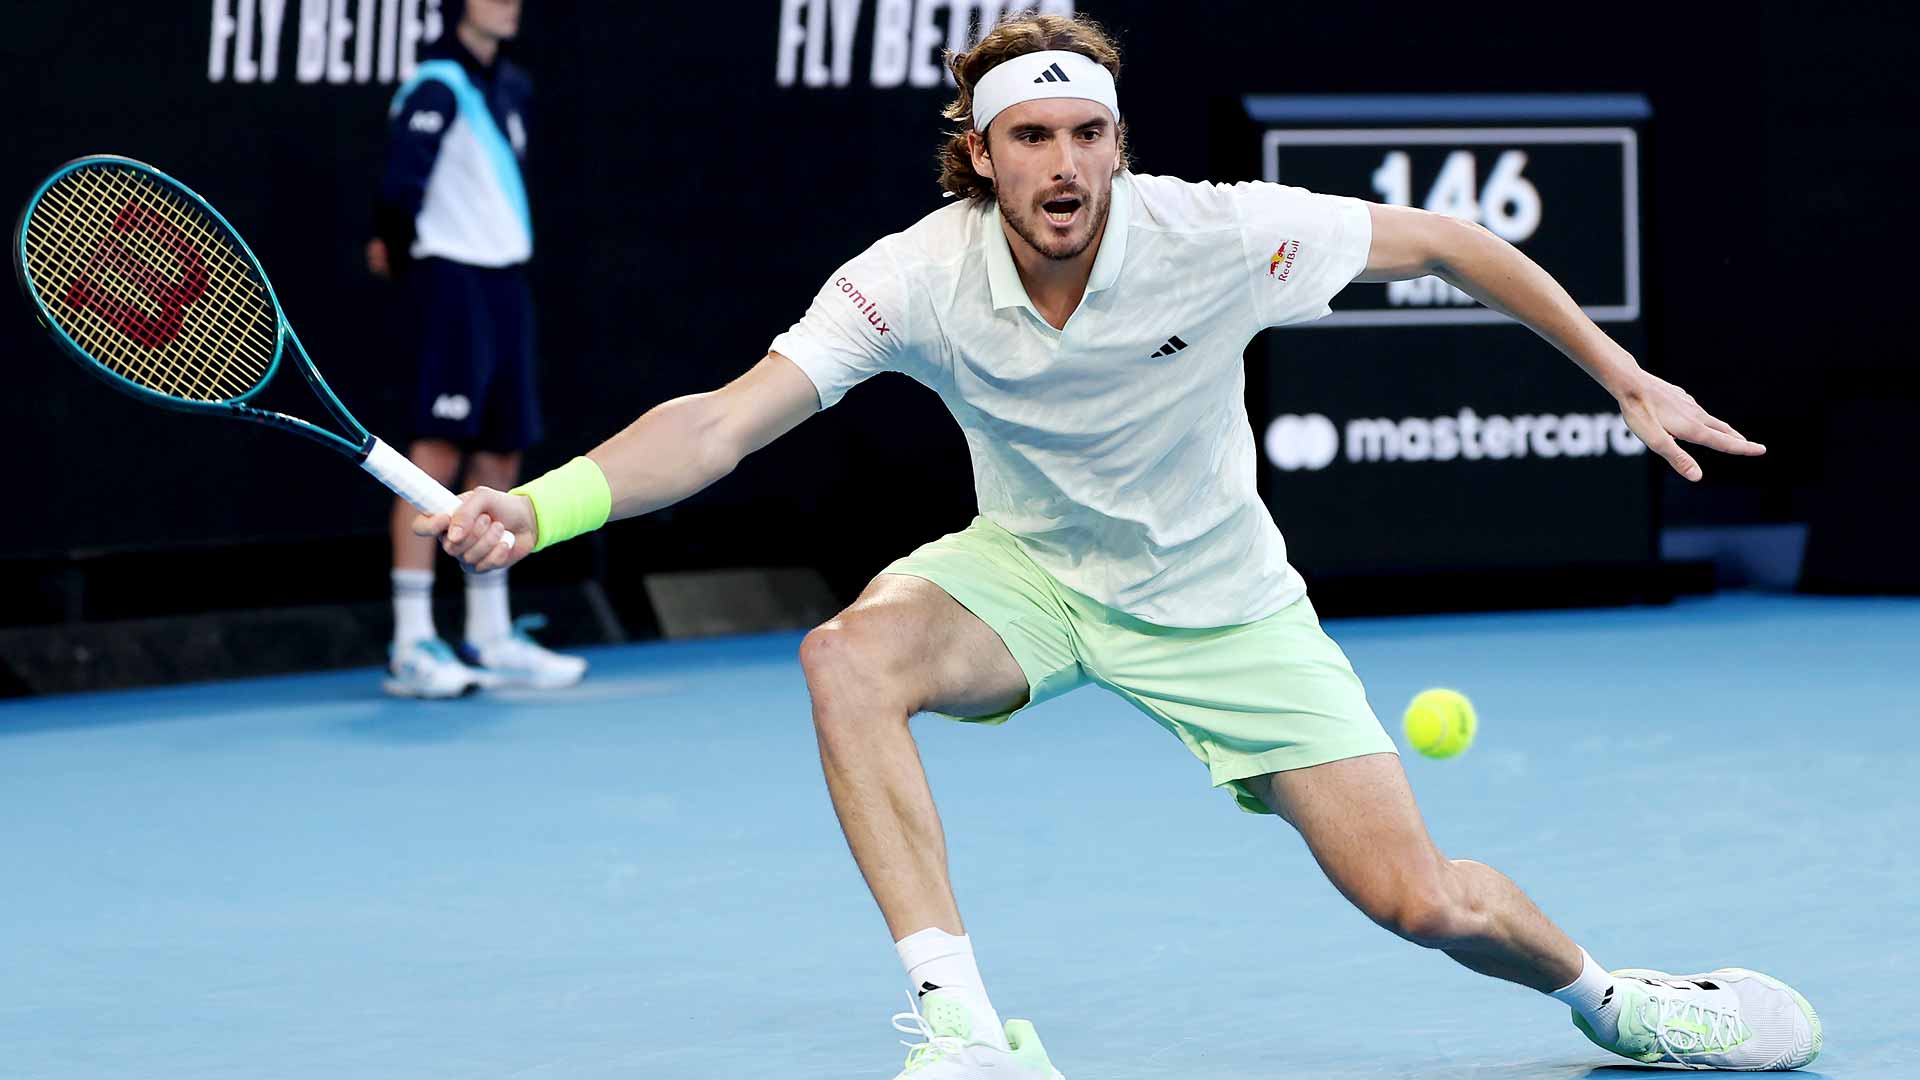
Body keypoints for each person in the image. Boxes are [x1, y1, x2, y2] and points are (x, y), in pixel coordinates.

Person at [419, 13, 1820, 1077]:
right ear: (979, 157)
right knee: (847, 655)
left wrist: (1620, 375)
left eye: (1088, 133)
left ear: (1118, 145)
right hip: (1027, 574)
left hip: (1222, 608)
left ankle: (1618, 999)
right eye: (1031, 138)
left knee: (1423, 901)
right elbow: (721, 425)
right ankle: (961, 1023)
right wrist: (546, 508)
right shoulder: (911, 276)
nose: (1067, 162)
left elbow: (1452, 242)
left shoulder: (1215, 236)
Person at [368, 0, 583, 697]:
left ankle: (489, 635)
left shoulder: (511, 87)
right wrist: (401, 256)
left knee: (500, 455)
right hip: (451, 281)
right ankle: (411, 643)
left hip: (503, 285)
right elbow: (401, 188)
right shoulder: (437, 83)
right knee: (434, 452)